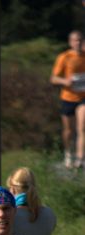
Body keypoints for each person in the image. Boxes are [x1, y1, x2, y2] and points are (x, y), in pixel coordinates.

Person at [50, 30, 85, 168]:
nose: (78, 42)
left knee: (82, 127)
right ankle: (68, 153)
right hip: (68, 97)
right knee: (68, 130)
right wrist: (66, 82)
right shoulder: (64, 57)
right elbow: (53, 78)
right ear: (70, 42)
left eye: (80, 40)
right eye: (75, 40)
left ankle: (80, 158)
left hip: (83, 97)